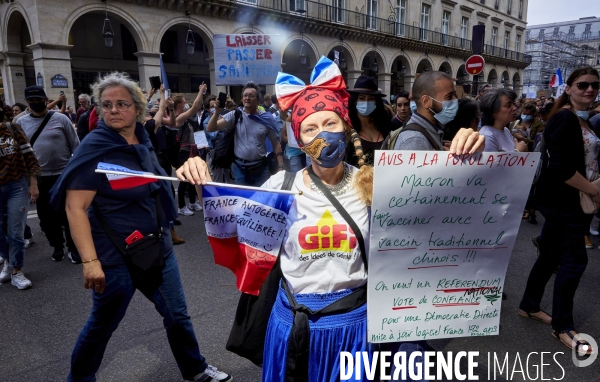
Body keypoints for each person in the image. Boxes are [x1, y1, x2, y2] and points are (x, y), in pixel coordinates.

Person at [177, 56, 484, 381]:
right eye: (310, 128)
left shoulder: (377, 184)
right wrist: (201, 181)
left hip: (355, 332)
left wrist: (467, 155)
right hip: (292, 330)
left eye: (330, 124)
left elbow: (438, 225)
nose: (322, 135)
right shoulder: (280, 187)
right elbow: (231, 231)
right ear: (299, 138)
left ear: (345, 126)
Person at [48, 72, 231, 382]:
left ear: (137, 107)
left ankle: (195, 369)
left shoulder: (143, 139)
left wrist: (194, 168)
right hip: (115, 256)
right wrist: (91, 263)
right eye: (106, 105)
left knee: (178, 316)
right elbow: (74, 207)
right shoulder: (96, 146)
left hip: (157, 247)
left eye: (121, 104)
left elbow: (165, 178)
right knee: (102, 325)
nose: (113, 110)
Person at [520, 66, 599, 355]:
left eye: (594, 85)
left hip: (565, 201)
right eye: (582, 85)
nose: (589, 89)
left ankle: (529, 305)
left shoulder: (582, 119)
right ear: (568, 88)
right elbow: (562, 169)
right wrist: (595, 192)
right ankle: (563, 326)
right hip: (566, 203)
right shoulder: (565, 118)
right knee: (575, 262)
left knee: (550, 256)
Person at [16, 86, 81, 263]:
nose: (36, 103)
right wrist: (30, 181)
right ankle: (57, 246)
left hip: (63, 175)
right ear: (28, 102)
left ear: (46, 100)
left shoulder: (61, 119)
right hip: (39, 178)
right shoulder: (21, 123)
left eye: (39, 99)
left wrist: (75, 171)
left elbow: (76, 145)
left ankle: (73, 248)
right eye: (32, 100)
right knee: (46, 217)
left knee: (68, 214)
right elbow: (22, 153)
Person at [206, 81, 283, 187]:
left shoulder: (267, 119)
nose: (247, 98)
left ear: (258, 100)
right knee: (242, 199)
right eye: (245, 95)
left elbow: (276, 143)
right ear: (242, 99)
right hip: (239, 169)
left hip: (260, 169)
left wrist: (280, 166)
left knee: (260, 200)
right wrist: (217, 112)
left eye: (251, 96)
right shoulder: (235, 115)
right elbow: (210, 128)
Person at [0, 107, 41, 289]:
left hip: (17, 184)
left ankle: (17, 271)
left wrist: (33, 183)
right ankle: (8, 260)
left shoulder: (12, 128)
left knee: (15, 231)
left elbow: (29, 156)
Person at [394, 71, 485, 152]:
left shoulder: (434, 128)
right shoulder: (414, 140)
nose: (455, 100)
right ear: (426, 101)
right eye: (449, 97)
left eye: (454, 95)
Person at [142, 85, 185, 245]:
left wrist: (152, 95)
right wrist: (159, 95)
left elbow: (163, 114)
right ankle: (165, 230)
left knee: (159, 197)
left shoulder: (143, 125)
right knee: (162, 197)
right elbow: (160, 111)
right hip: (153, 163)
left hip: (153, 163)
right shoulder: (148, 125)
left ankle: (167, 229)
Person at [173, 85, 206, 216]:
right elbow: (195, 108)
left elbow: (198, 106)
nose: (186, 104)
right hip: (183, 152)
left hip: (192, 150)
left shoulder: (186, 118)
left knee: (193, 177)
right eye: (184, 103)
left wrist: (201, 95)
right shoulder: (178, 118)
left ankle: (192, 202)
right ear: (179, 105)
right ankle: (181, 206)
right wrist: (200, 92)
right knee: (184, 179)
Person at [346, 75, 391, 167]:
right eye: (362, 98)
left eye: (371, 99)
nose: (366, 102)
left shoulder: (383, 126)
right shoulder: (347, 129)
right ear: (355, 101)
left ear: (376, 102)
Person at [479, 89, 528, 153]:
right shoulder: (487, 136)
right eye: (508, 105)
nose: (514, 108)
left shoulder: (506, 130)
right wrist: (518, 151)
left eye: (513, 104)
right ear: (493, 112)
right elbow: (491, 162)